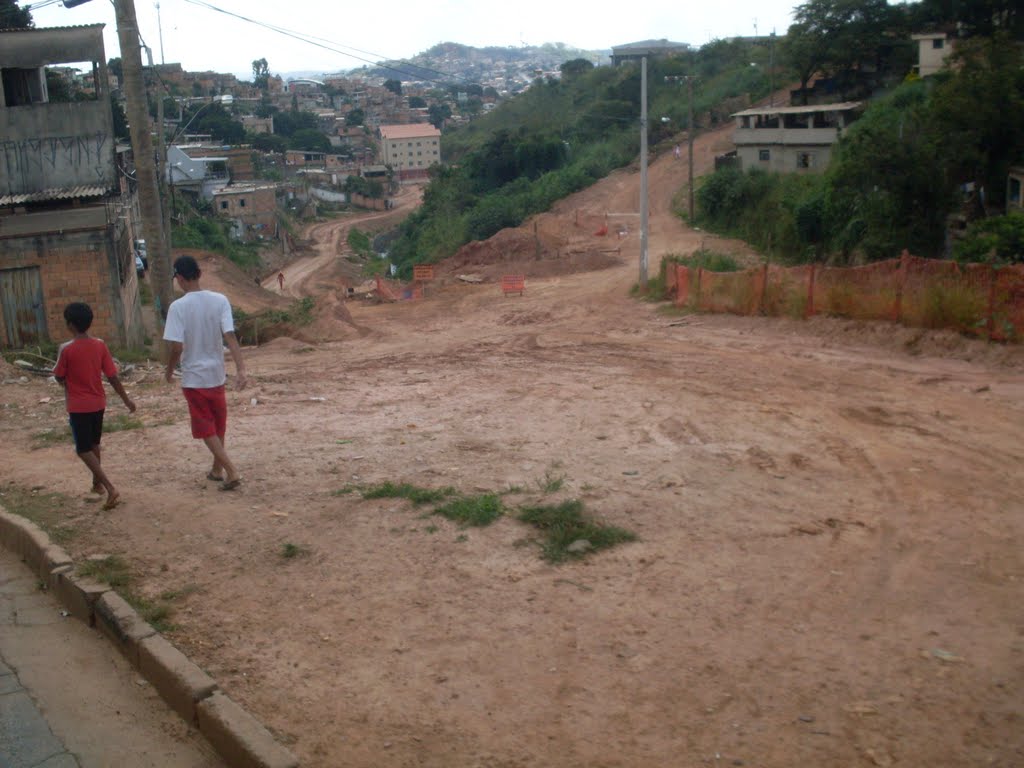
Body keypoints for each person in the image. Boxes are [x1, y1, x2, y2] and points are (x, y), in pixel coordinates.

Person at [163, 255, 247, 490]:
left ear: (179, 278)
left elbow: (176, 346)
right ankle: (216, 469)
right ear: (199, 274)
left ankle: (231, 470)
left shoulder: (178, 307)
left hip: (194, 378)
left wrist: (169, 370)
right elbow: (229, 336)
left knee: (205, 427)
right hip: (216, 375)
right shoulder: (220, 300)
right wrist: (241, 369)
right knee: (218, 425)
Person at [53, 302, 136, 510]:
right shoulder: (100, 345)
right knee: (94, 444)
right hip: (98, 403)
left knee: (83, 449)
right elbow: (112, 377)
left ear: (70, 325)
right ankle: (96, 484)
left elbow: (59, 376)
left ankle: (109, 487)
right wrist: (126, 400)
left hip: (78, 405)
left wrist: (67, 380)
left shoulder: (66, 349)